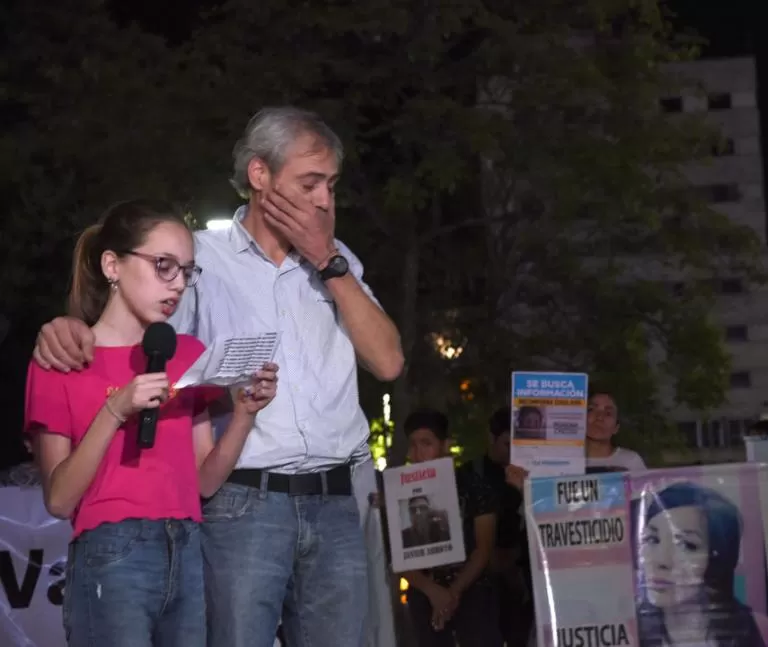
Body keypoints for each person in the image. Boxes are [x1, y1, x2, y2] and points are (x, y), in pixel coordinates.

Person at [31, 107, 404, 647]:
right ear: (260, 176)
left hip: (336, 500)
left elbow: (389, 362)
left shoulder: (339, 261)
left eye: (331, 185)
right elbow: (130, 334)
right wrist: (67, 324)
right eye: (309, 182)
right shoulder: (197, 260)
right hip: (241, 503)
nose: (325, 200)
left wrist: (328, 260)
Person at [25, 200, 278, 647]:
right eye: (163, 266)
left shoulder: (187, 354)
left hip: (188, 548)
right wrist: (115, 410)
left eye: (187, 270)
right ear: (112, 266)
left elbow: (203, 481)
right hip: (111, 554)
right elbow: (60, 500)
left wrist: (243, 416)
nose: (178, 283)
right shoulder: (61, 361)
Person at [400, 409, 502, 647]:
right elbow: (398, 556)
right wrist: (433, 592)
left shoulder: (473, 485)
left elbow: (483, 548)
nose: (419, 453)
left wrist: (452, 592)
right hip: (424, 594)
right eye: (413, 444)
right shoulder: (400, 491)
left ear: (445, 445)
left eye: (427, 443)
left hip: (472, 590)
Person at [632, 482, 768, 646]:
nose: (661, 561)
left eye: (686, 545)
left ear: (716, 558)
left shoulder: (758, 629)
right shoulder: (629, 630)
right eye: (652, 539)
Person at [470, 408, 531, 647]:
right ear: (491, 438)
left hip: (521, 578)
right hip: (481, 581)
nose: (513, 454)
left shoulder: (531, 475)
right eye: (507, 445)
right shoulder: (471, 475)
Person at [585, 391, 647, 472]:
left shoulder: (630, 461)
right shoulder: (566, 459)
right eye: (591, 409)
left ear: (616, 428)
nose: (599, 417)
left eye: (608, 413)